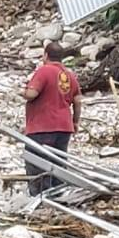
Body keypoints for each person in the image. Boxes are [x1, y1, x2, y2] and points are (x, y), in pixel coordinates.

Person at [21, 42, 82, 194]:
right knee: (59, 163)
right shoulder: (69, 75)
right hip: (64, 127)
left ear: (46, 55)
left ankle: (41, 198)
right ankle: (59, 195)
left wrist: (22, 91)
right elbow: (78, 100)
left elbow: (32, 94)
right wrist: (75, 121)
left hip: (42, 127)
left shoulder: (44, 71)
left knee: (38, 163)